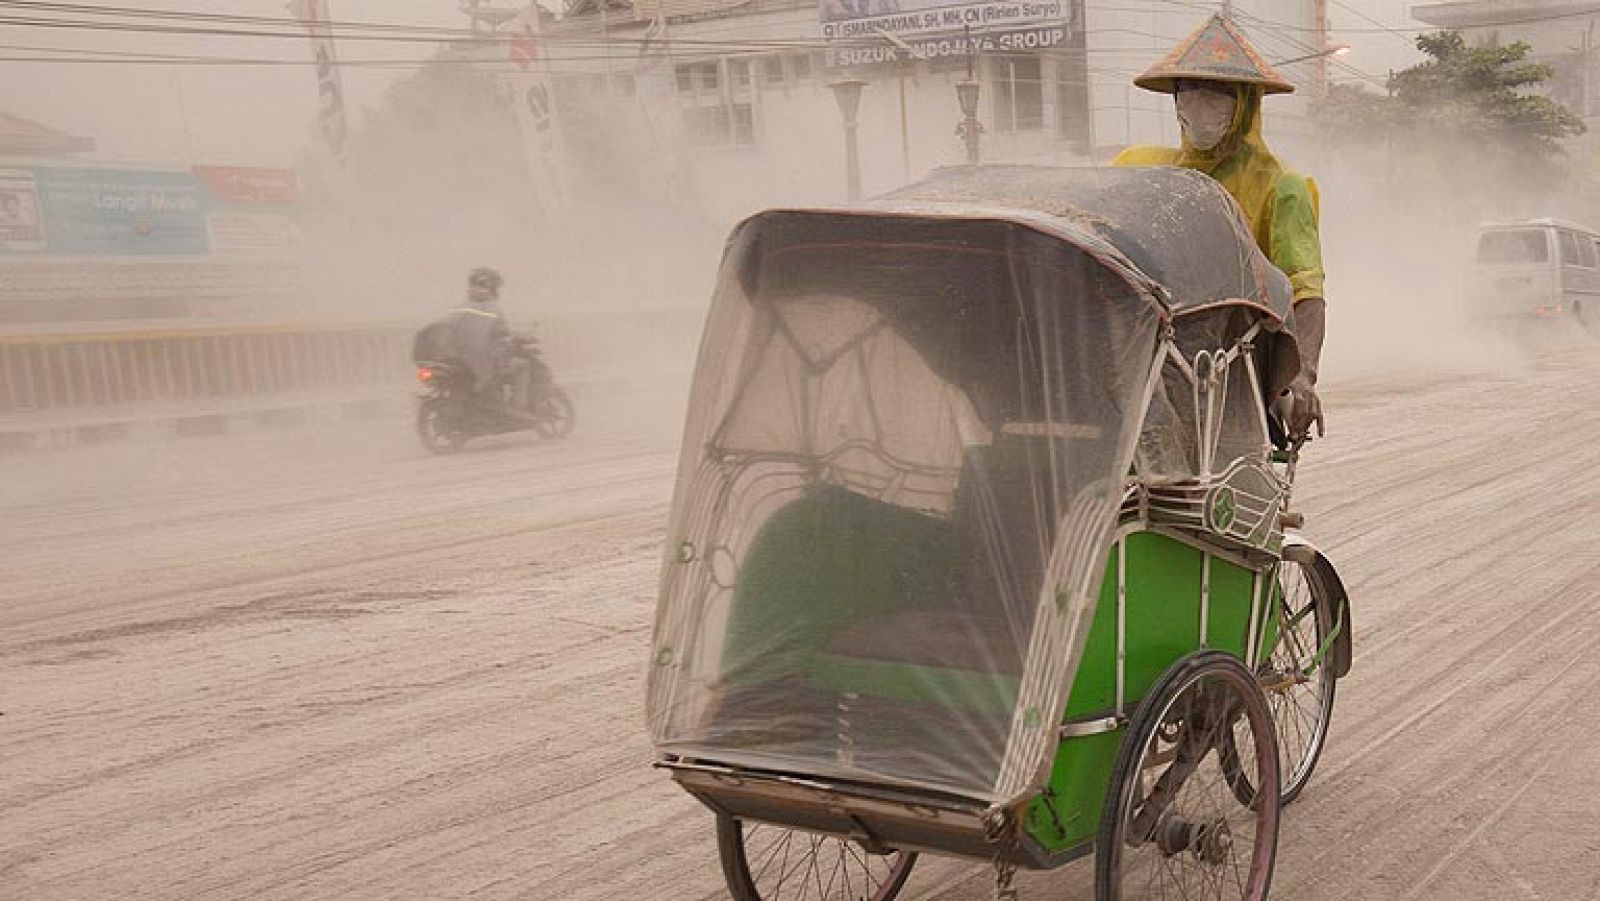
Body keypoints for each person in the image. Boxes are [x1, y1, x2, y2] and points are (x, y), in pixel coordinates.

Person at [1113, 14, 1327, 438]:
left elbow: (1306, 291)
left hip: (1234, 370)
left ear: (1245, 102)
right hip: (1148, 362)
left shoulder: (1282, 187)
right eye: (1188, 90)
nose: (1198, 100)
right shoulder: (1142, 169)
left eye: (1216, 92)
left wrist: (1302, 377)